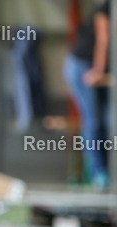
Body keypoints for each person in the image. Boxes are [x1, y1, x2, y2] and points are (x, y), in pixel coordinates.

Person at [64, 2, 112, 188]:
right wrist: (99, 72)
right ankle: (98, 170)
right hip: (81, 67)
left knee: (107, 119)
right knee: (94, 120)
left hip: (97, 69)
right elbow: (104, 39)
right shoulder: (106, 9)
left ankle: (102, 166)